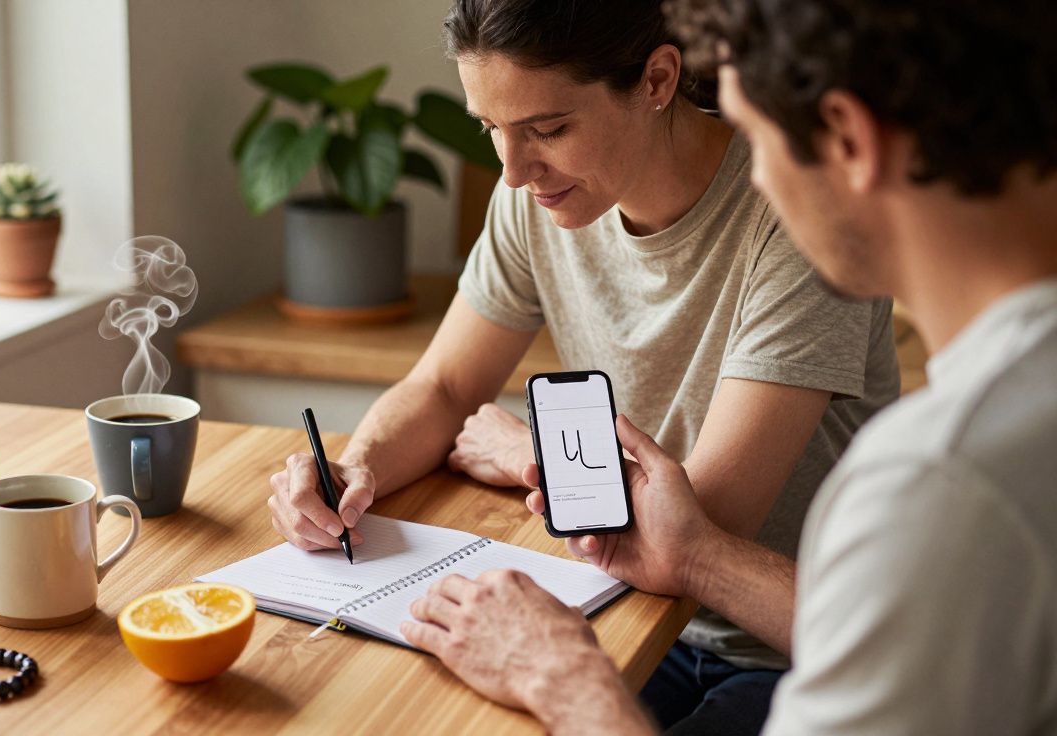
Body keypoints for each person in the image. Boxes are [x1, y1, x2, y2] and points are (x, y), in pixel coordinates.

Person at [401, 0, 1057, 733]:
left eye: (758, 135)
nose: (759, 178)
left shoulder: (939, 478)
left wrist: (565, 677)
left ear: (847, 139)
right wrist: (696, 557)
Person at [268, 0, 898, 731]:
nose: (512, 172)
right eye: (491, 130)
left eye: (548, 129)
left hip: (792, 647)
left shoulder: (795, 216)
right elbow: (443, 387)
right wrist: (354, 471)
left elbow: (698, 525)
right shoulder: (541, 198)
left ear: (658, 78)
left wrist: (532, 449)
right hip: (633, 616)